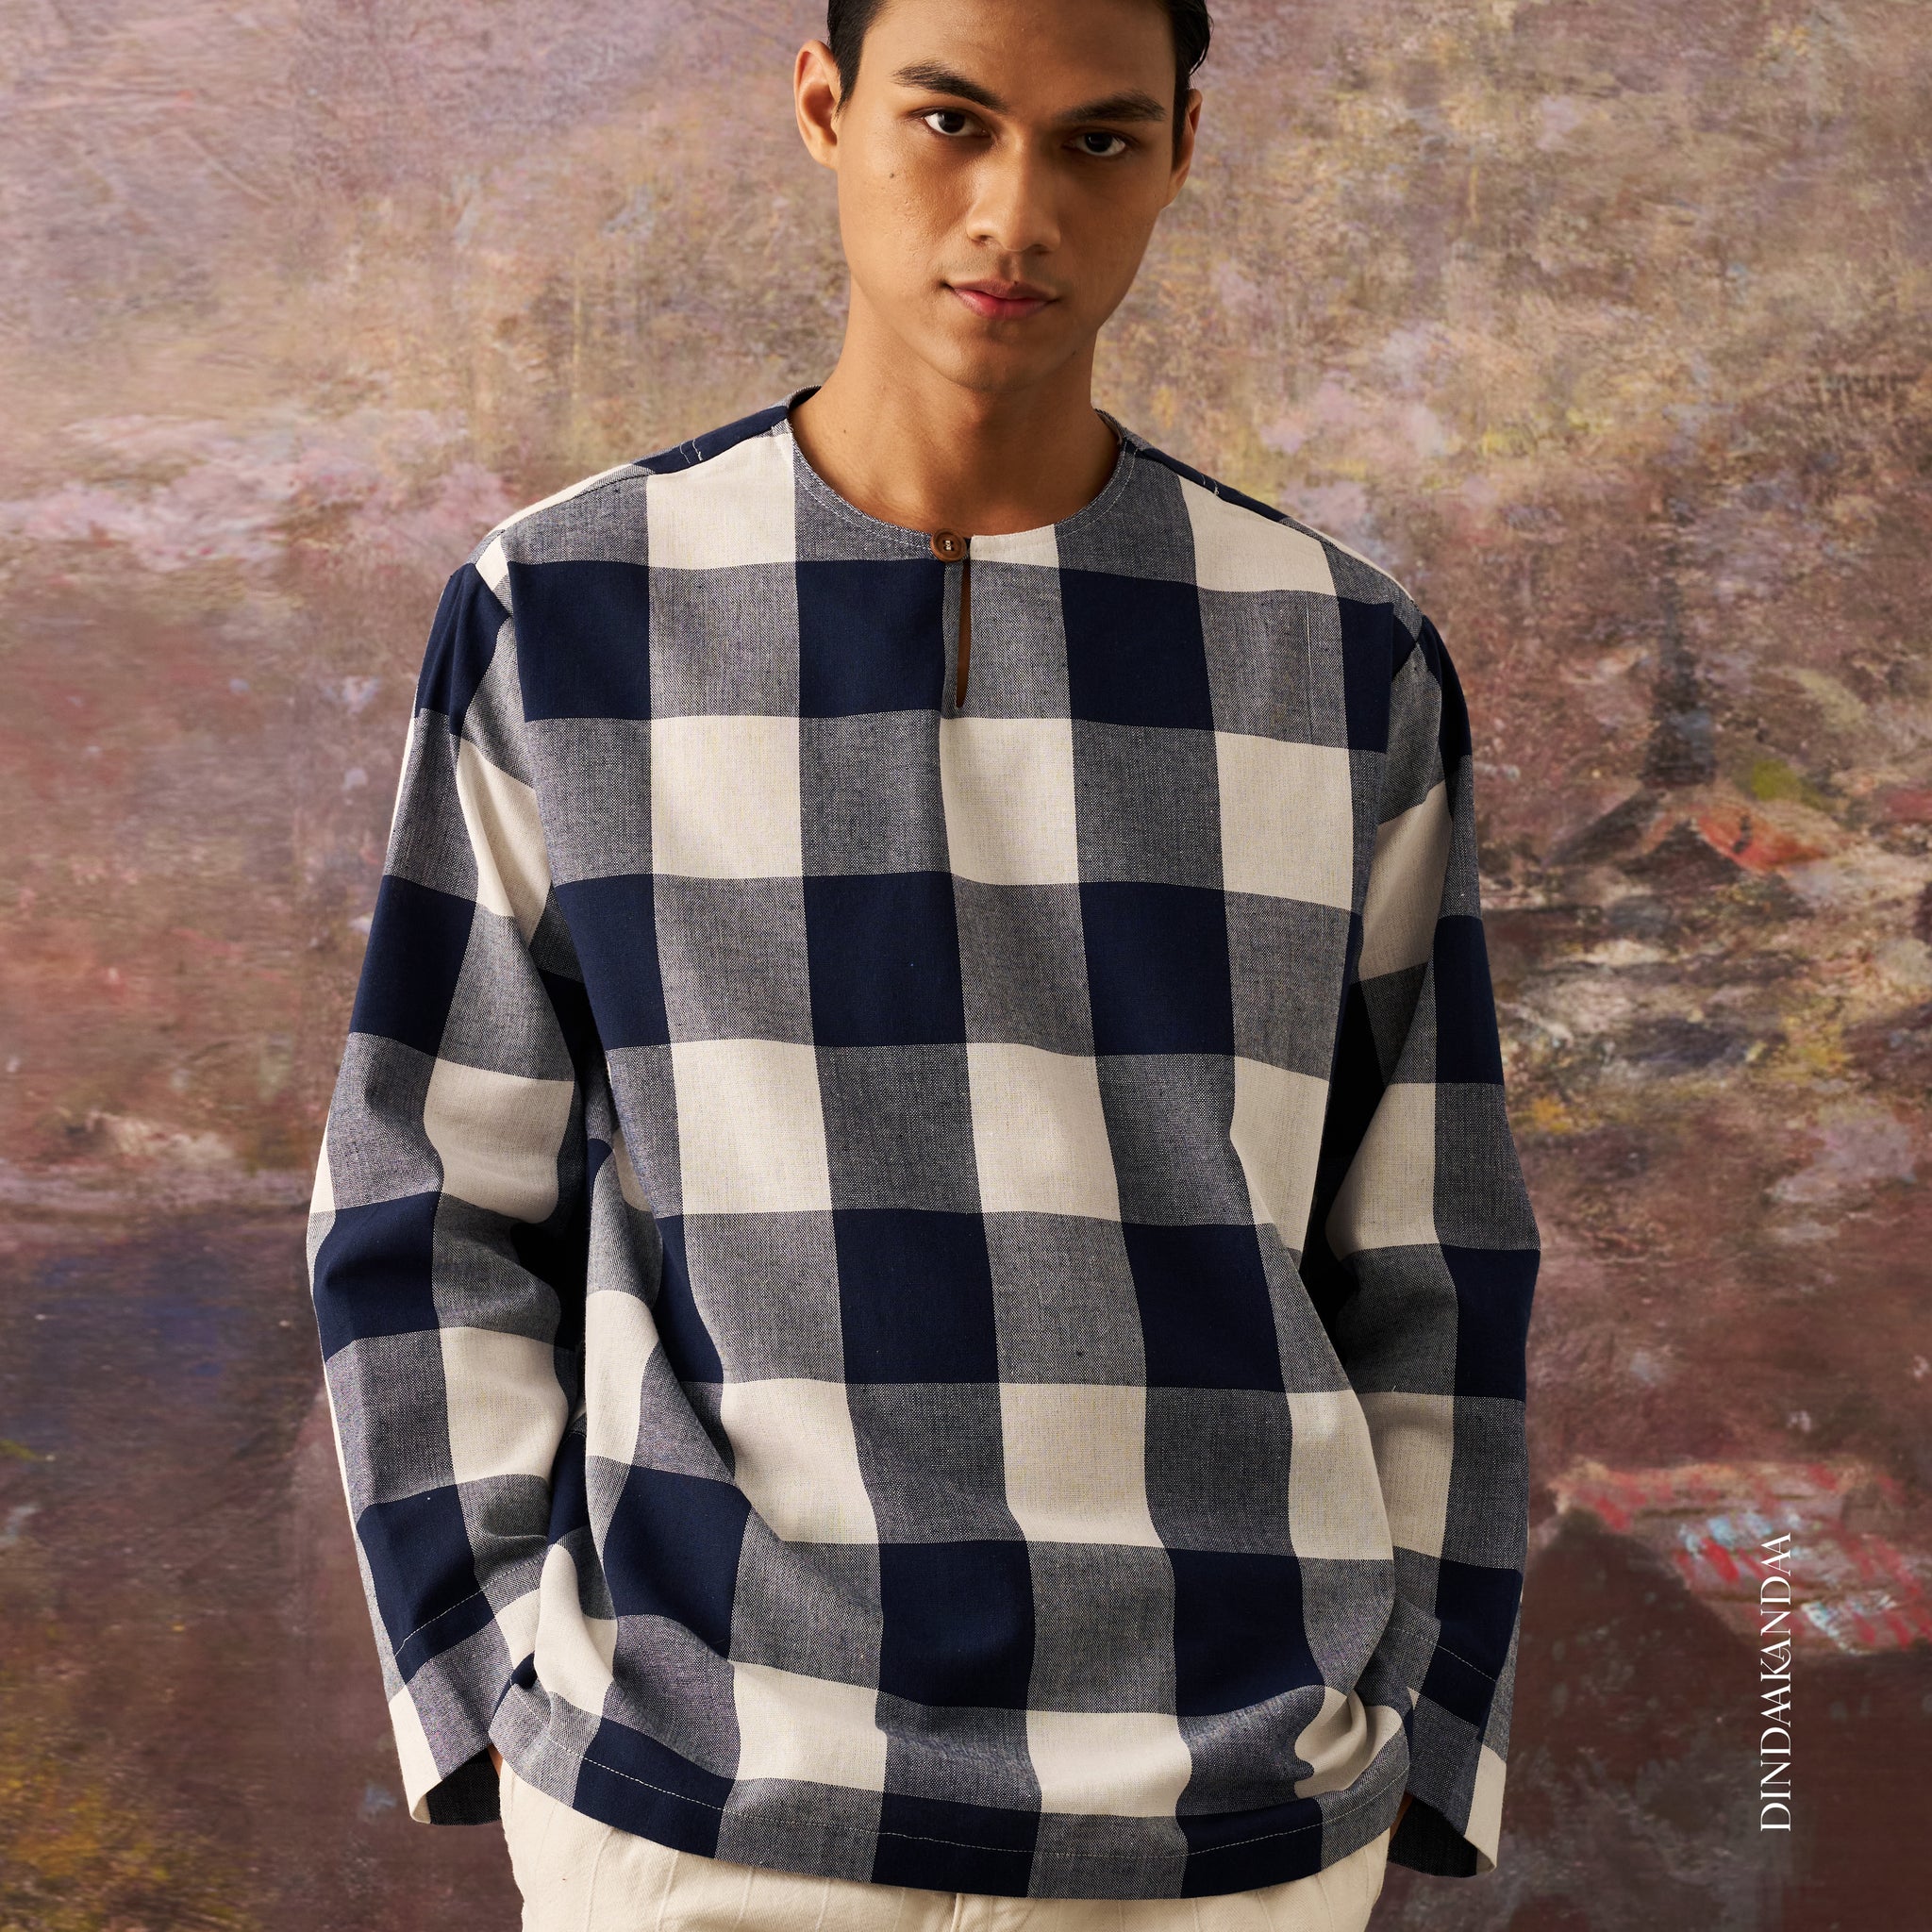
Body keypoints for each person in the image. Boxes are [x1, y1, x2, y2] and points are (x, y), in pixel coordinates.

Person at [306, 0, 1541, 1925]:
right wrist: (496, 1690)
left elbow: (1430, 1246)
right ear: (825, 106)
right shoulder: (569, 611)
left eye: (1097, 141)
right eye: (951, 121)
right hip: (698, 1801)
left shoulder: (1334, 652)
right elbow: (426, 1189)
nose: (1014, 212)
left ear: (1182, 148)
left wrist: (1416, 1722)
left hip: (1225, 1815)